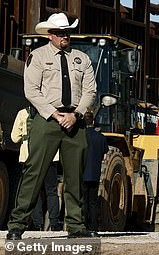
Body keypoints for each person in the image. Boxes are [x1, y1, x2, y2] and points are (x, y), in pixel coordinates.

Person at [6, 12, 97, 240]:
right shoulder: (37, 57)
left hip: (75, 122)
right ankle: (17, 225)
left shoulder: (82, 58)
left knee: (75, 176)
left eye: (67, 32)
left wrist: (75, 115)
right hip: (46, 120)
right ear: (50, 35)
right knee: (34, 173)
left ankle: (76, 226)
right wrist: (55, 114)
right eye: (60, 32)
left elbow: (90, 91)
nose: (65, 36)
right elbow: (31, 91)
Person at [11, 106, 62, 231]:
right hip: (50, 156)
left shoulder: (23, 113)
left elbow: (14, 137)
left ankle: (37, 224)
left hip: (28, 156)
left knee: (35, 190)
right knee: (51, 191)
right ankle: (54, 224)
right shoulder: (51, 113)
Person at [83, 114, 109, 233]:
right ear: (93, 121)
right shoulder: (101, 137)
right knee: (93, 201)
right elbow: (104, 153)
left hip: (82, 173)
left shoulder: (81, 136)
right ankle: (93, 227)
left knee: (83, 201)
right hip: (94, 173)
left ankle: (83, 225)